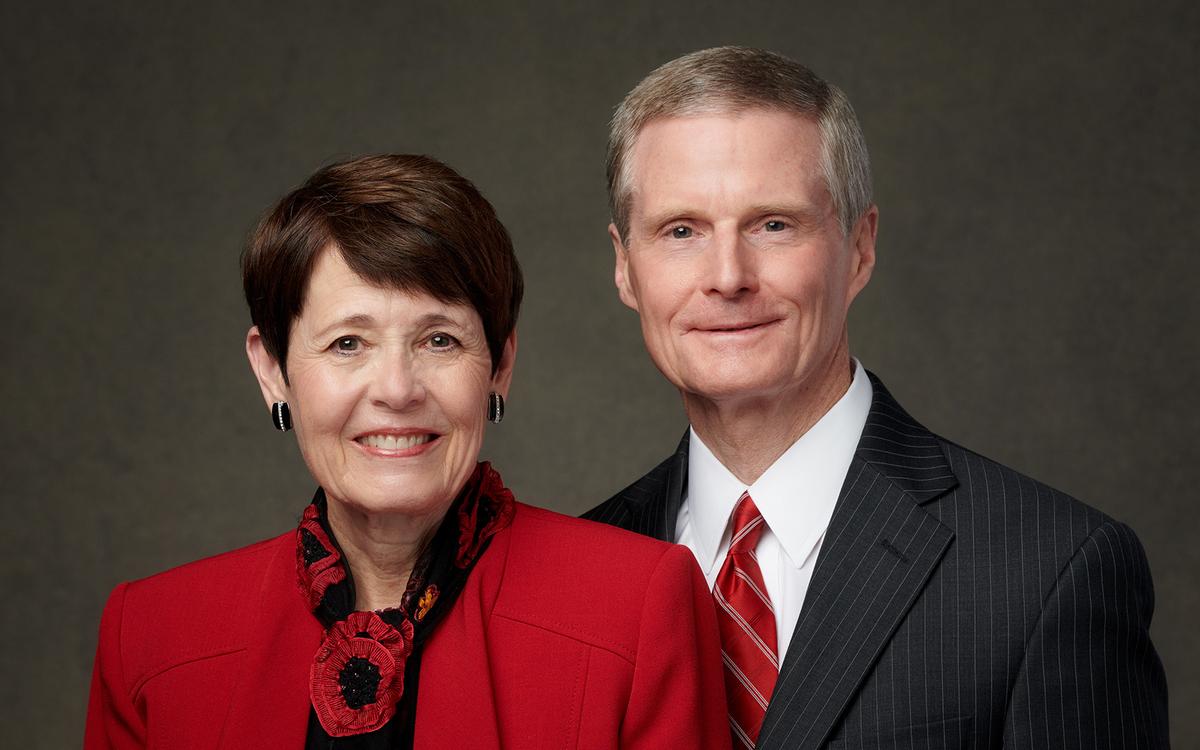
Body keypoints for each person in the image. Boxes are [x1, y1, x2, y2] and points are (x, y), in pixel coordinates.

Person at [585, 46, 1169, 750]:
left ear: (859, 249)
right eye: (681, 231)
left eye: (773, 224)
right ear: (626, 269)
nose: (728, 276)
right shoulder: (575, 573)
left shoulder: (1052, 571)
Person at [86, 154, 729, 749]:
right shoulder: (150, 637)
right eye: (347, 344)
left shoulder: (637, 606)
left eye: (439, 341)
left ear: (500, 365)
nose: (396, 391)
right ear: (273, 371)